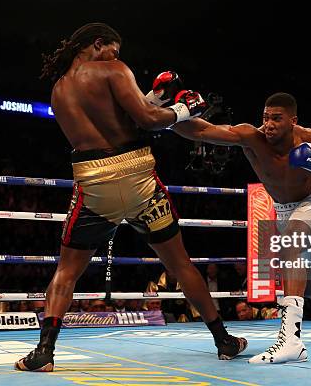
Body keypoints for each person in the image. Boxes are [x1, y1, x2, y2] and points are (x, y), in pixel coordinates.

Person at [15, 22, 246, 372]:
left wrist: (151, 101)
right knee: (180, 265)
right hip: (140, 179)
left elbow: (118, 120)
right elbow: (149, 120)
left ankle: (44, 352)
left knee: (66, 271)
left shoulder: (58, 91)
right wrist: (186, 110)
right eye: (114, 50)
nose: (117, 57)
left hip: (94, 187)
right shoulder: (112, 69)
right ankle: (224, 341)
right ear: (98, 44)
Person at [172, 91, 311, 364]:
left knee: (289, 249)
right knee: (306, 286)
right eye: (265, 117)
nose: (269, 124)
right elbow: (202, 131)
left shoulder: (310, 138)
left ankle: (291, 342)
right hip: (284, 210)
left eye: (276, 118)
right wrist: (169, 115)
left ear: (293, 120)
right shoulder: (251, 137)